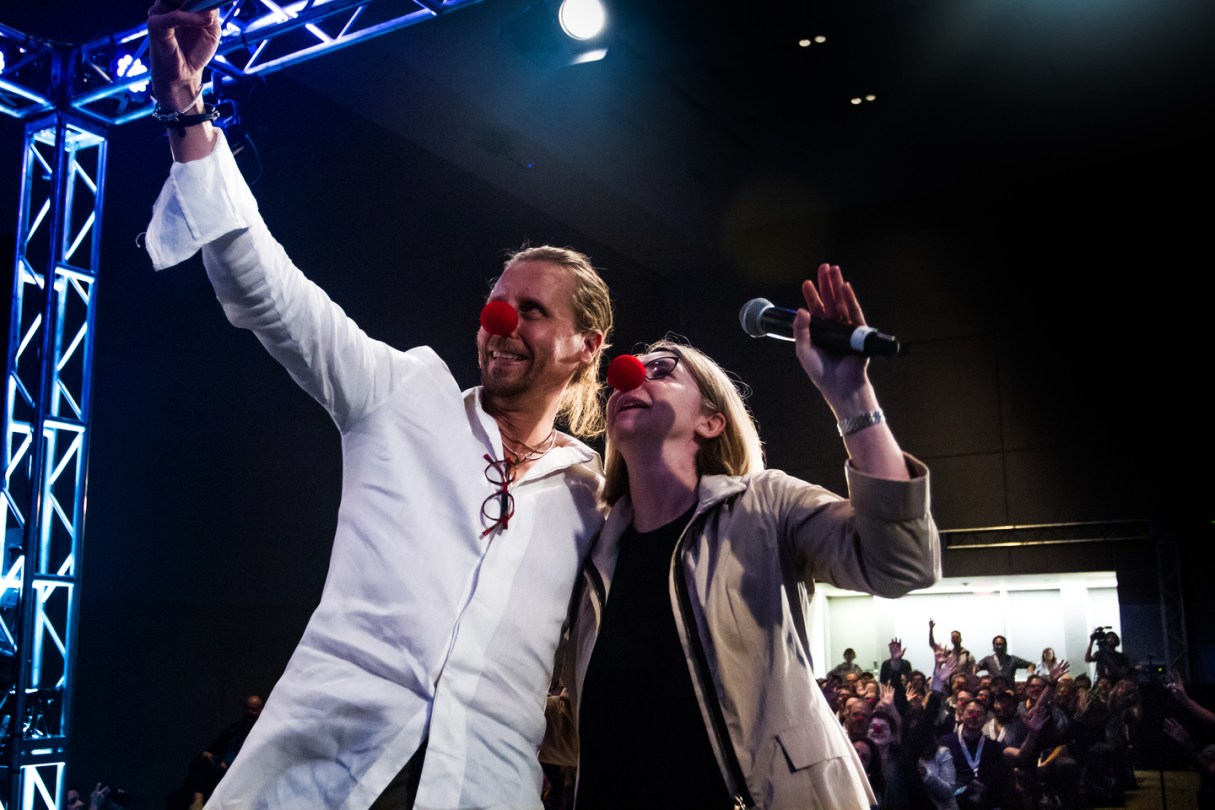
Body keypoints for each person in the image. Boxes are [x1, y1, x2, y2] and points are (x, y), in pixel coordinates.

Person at [143, 4, 615, 808]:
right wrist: (186, 108)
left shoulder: (593, 496)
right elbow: (270, 294)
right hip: (326, 775)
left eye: (532, 312)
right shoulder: (403, 395)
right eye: (497, 304)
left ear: (587, 347)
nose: (501, 323)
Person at [543, 263, 941, 808]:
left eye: (662, 370)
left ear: (711, 422)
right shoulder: (591, 553)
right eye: (633, 368)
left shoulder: (764, 506)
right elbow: (583, 725)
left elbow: (902, 563)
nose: (631, 375)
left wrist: (853, 396)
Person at [171, 694, 264, 809]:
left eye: (253, 710)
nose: (249, 712)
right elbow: (214, 749)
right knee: (198, 763)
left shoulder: (261, 733)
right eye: (247, 708)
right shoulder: (233, 729)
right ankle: (198, 803)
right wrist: (208, 755)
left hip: (239, 773)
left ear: (260, 711)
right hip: (220, 767)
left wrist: (229, 765)